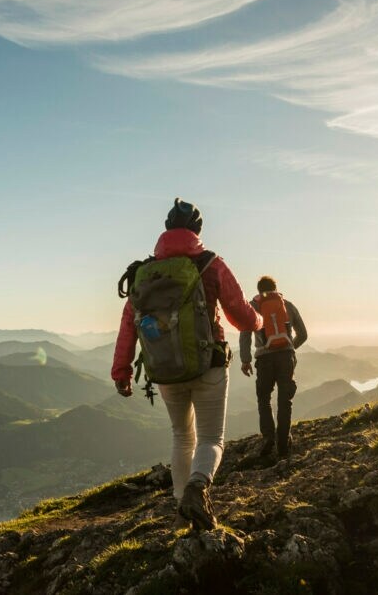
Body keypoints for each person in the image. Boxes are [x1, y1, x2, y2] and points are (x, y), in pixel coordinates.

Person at [112, 198, 262, 530]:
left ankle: (182, 512)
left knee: (181, 436)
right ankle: (198, 487)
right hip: (208, 366)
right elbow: (240, 313)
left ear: (166, 230)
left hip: (164, 371)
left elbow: (128, 326)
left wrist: (121, 371)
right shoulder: (211, 264)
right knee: (211, 438)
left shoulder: (144, 273)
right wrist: (259, 322)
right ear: (197, 230)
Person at [239, 275, 307, 459]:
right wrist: (290, 347)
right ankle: (284, 444)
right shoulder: (287, 305)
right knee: (285, 401)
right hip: (286, 358)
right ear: (275, 288)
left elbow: (245, 334)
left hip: (264, 359)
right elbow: (303, 333)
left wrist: (245, 360)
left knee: (264, 399)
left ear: (259, 290)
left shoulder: (253, 307)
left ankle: (269, 438)